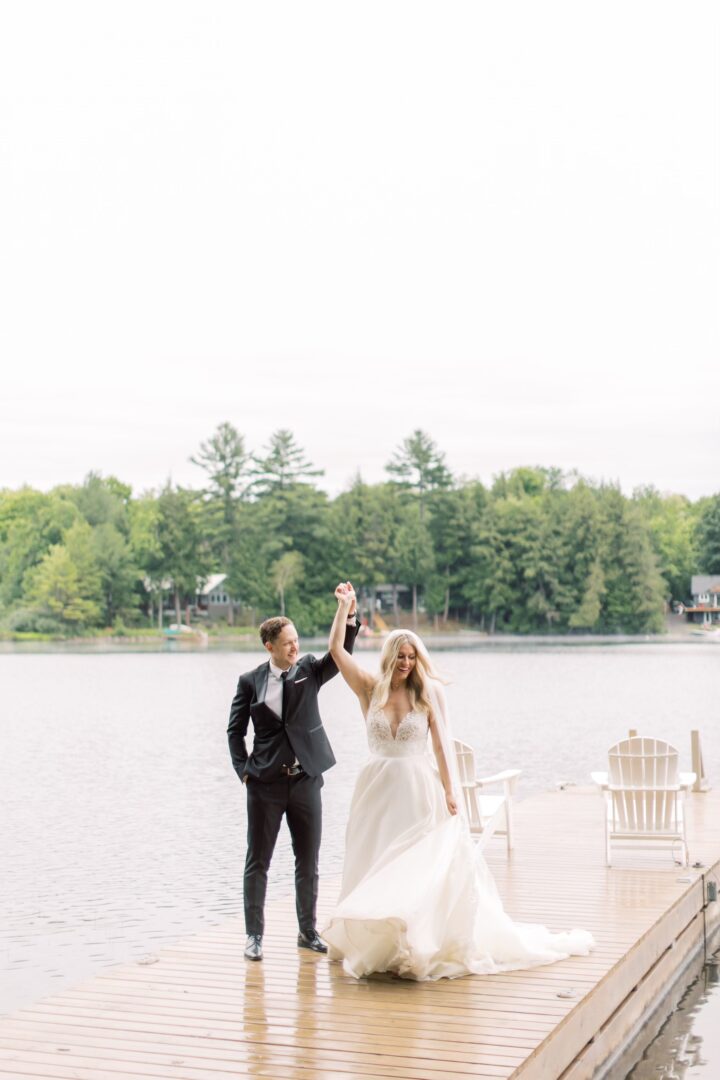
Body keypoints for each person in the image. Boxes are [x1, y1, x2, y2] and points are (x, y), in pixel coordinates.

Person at [321, 583, 594, 981]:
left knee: (417, 866)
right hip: (376, 790)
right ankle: (375, 942)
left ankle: (414, 943)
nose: (406, 663)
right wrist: (345, 609)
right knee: (374, 862)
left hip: (417, 789)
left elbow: (442, 746)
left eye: (412, 657)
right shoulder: (369, 687)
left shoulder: (427, 693)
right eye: (400, 655)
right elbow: (336, 652)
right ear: (389, 656)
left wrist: (451, 790)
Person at [227, 599, 360, 961]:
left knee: (308, 860)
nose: (295, 647)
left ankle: (307, 931)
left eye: (297, 640)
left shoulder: (308, 671)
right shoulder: (249, 682)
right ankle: (254, 936)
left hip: (305, 782)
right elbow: (234, 732)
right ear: (269, 646)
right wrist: (244, 772)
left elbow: (341, 654)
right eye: (288, 643)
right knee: (258, 862)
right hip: (264, 787)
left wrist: (349, 615)